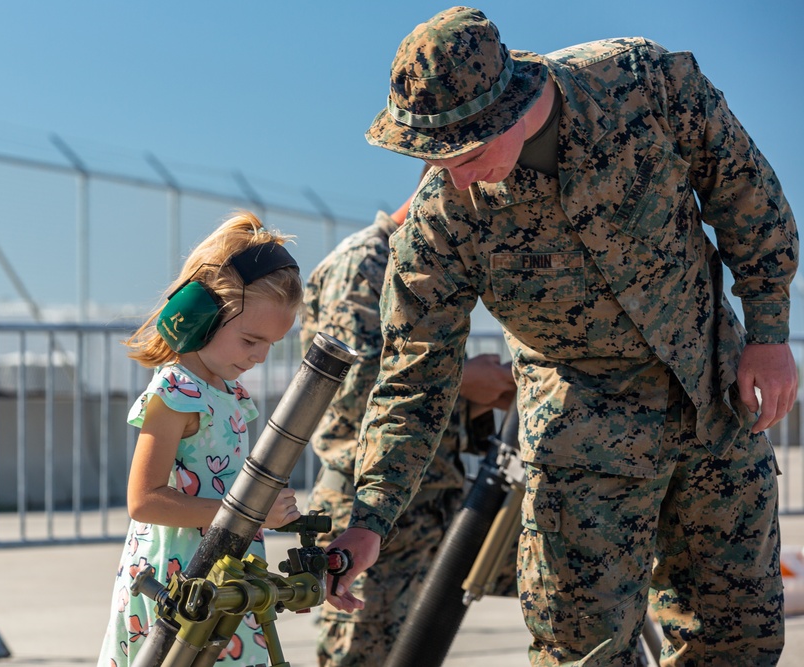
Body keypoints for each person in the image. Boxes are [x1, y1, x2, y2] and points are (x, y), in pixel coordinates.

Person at [327, 7, 799, 666]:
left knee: (738, 636)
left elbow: (747, 194)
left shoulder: (644, 83)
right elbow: (413, 379)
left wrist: (770, 333)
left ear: (513, 107)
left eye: (467, 151)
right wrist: (371, 516)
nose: (455, 175)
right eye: (436, 156)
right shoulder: (440, 223)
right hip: (584, 438)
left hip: (712, 397)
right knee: (582, 649)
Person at [301, 165, 516, 666]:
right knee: (361, 655)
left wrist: (481, 394)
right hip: (368, 508)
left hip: (427, 504)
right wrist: (464, 379)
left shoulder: (431, 264)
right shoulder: (364, 264)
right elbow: (351, 389)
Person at [97, 211, 304, 666]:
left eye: (272, 344)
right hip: (177, 585)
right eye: (251, 339)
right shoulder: (175, 392)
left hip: (223, 576)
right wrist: (248, 515)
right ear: (203, 313)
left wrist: (271, 514)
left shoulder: (230, 392)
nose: (261, 357)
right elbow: (144, 501)